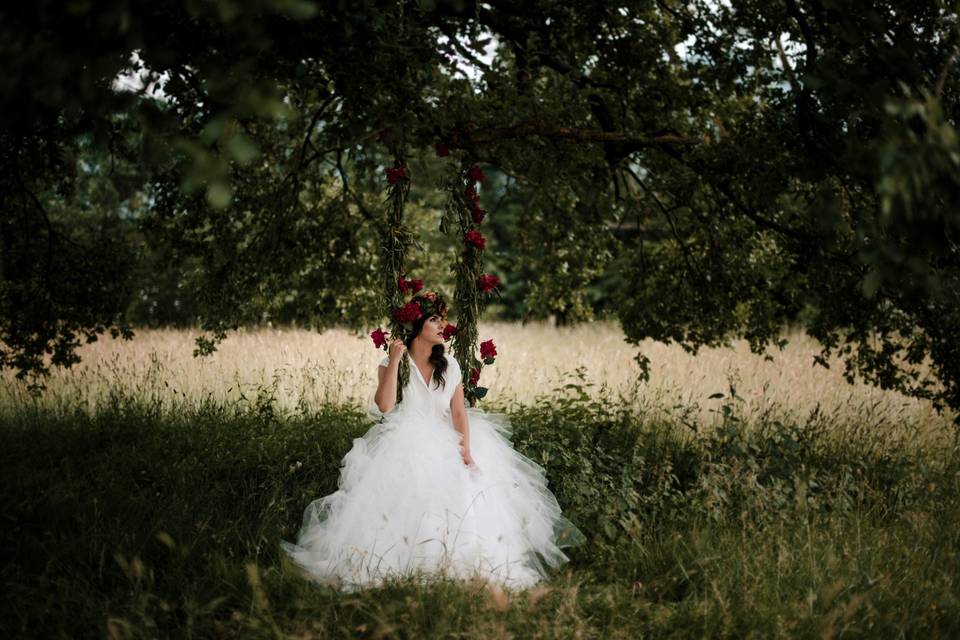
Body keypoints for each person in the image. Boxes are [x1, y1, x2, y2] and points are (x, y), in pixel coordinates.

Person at [281, 290, 583, 591]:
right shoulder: (392, 364)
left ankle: (452, 562)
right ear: (416, 327)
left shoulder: (449, 365)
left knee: (462, 496)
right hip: (404, 439)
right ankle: (405, 562)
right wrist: (396, 360)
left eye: (443, 319)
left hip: (444, 439)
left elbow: (458, 413)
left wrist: (465, 451)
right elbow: (385, 407)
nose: (442, 326)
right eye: (434, 319)